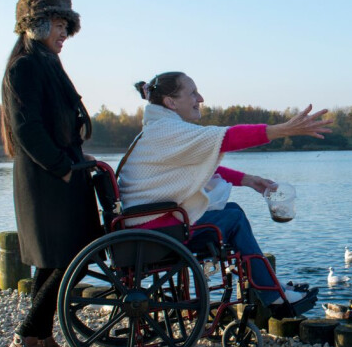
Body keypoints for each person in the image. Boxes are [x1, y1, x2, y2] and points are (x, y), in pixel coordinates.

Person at [117, 71, 331, 310]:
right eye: (193, 93)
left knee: (229, 212)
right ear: (170, 102)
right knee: (233, 216)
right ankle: (274, 297)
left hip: (147, 226)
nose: (201, 98)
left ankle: (270, 286)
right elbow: (228, 137)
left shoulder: (160, 129)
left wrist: (248, 179)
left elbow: (199, 169)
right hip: (155, 233)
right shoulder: (167, 131)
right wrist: (284, 129)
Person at [0, 0, 102, 347]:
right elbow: (28, 129)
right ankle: (25, 339)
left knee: (53, 261)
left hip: (61, 173)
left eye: (66, 26)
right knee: (69, 256)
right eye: (58, 25)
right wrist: (61, 166)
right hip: (46, 180)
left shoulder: (46, 61)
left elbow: (57, 123)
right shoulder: (25, 66)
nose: (64, 34)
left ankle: (41, 339)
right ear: (37, 25)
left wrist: (76, 157)